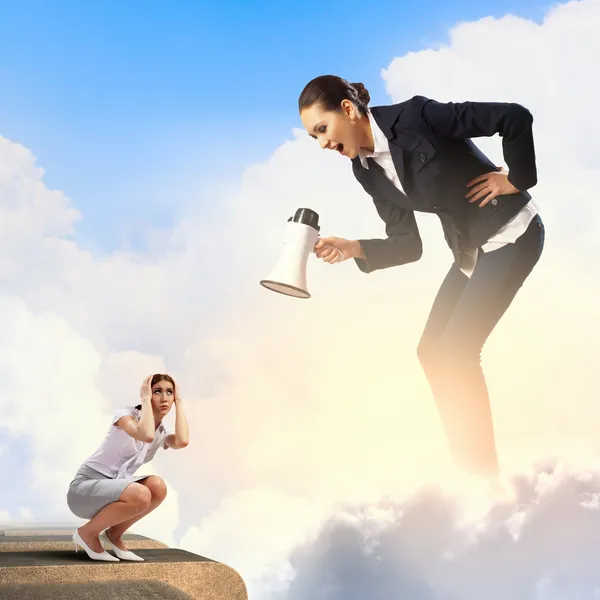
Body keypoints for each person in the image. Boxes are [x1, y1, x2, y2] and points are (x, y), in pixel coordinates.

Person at [298, 75, 544, 481]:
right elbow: (407, 245)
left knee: (457, 351)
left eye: (322, 130)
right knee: (431, 352)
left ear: (346, 109)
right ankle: (465, 468)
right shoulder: (365, 171)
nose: (322, 144)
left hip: (511, 233)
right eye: (314, 138)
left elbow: (514, 117)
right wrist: (354, 247)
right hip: (472, 249)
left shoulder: (417, 116)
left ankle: (484, 477)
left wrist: (516, 179)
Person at [67, 373, 189, 561]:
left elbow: (182, 441)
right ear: (148, 393)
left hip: (114, 490)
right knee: (141, 494)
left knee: (157, 486)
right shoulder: (125, 416)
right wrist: (145, 399)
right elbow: (145, 434)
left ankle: (114, 535)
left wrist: (179, 402)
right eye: (157, 392)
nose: (164, 398)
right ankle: (87, 533)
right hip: (84, 490)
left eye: (169, 393)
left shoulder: (161, 433)